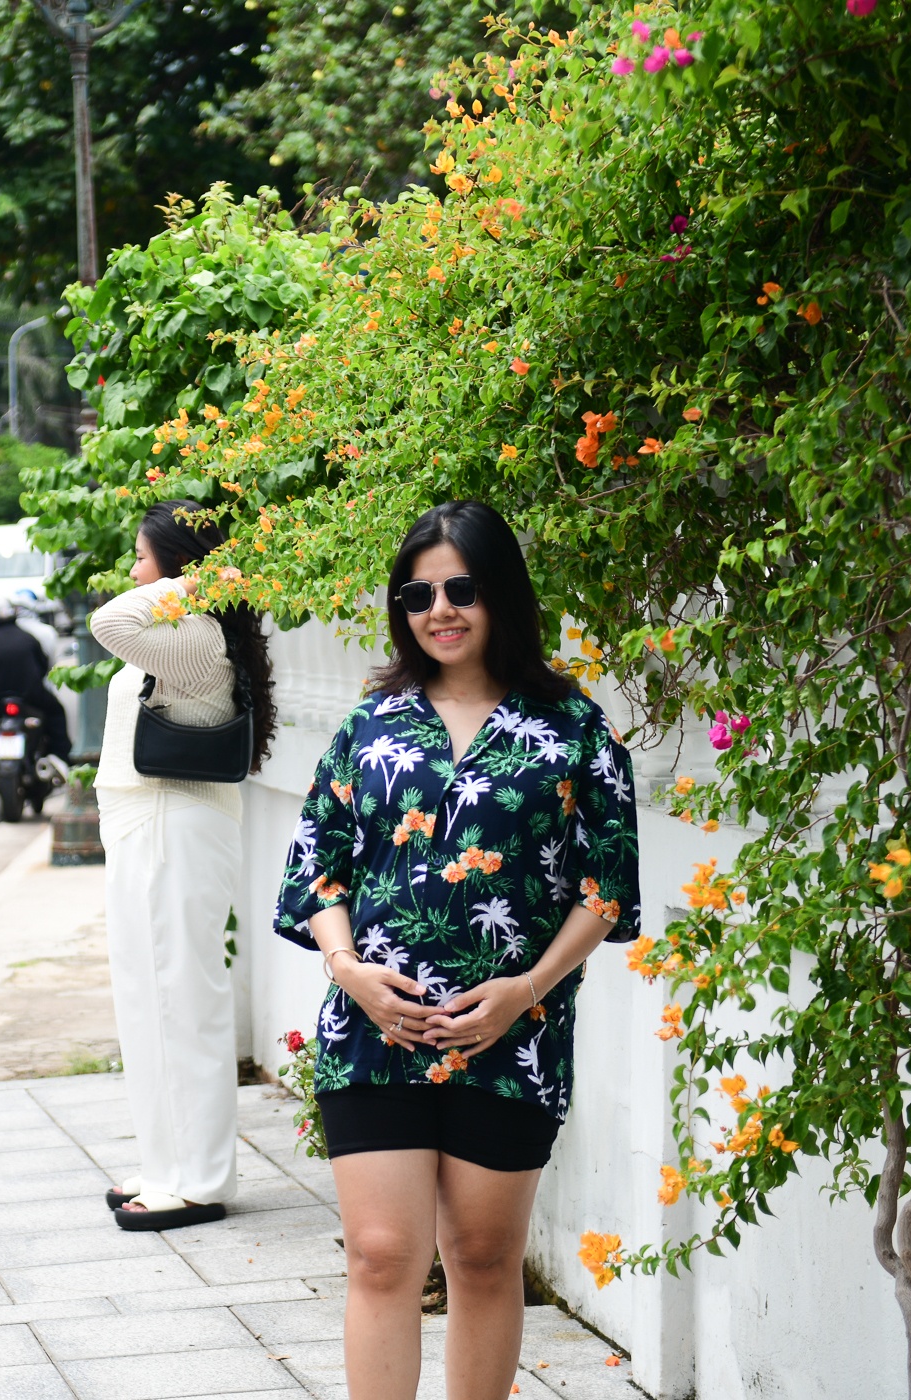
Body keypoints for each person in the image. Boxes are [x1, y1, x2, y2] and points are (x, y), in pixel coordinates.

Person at [274, 501, 640, 1400]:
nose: (440, 609)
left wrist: (530, 987)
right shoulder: (371, 725)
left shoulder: (575, 729)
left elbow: (608, 886)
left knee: (481, 1258)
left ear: (502, 594)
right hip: (374, 1032)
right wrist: (349, 971)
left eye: (462, 589)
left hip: (513, 1037)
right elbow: (317, 863)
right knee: (382, 1254)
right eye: (419, 593)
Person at [89, 500, 277, 1231]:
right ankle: (168, 1165)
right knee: (147, 999)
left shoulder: (196, 634)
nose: (134, 573)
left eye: (143, 558)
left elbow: (109, 622)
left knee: (181, 999)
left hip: (174, 825)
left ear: (178, 567)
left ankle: (198, 1180)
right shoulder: (183, 633)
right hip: (147, 822)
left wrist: (203, 582)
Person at [0, 597, 71, 804]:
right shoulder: (28, 638)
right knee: (56, 711)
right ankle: (60, 754)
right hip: (32, 695)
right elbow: (43, 666)